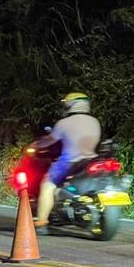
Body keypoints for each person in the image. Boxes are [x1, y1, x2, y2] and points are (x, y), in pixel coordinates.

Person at [33, 92, 101, 233]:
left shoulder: (64, 123)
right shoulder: (95, 122)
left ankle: (42, 222)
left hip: (70, 161)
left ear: (70, 104)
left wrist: (36, 145)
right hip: (90, 161)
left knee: (48, 184)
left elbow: (49, 140)